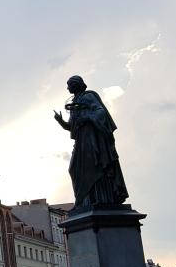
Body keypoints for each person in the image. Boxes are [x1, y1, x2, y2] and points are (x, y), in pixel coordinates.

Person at [53, 74, 129, 210]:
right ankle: (85, 201)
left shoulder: (88, 97)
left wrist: (87, 117)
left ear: (76, 85)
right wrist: (60, 121)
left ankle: (100, 198)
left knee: (94, 165)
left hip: (92, 138)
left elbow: (101, 113)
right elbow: (71, 126)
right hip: (81, 140)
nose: (67, 88)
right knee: (74, 168)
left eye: (69, 84)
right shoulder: (76, 102)